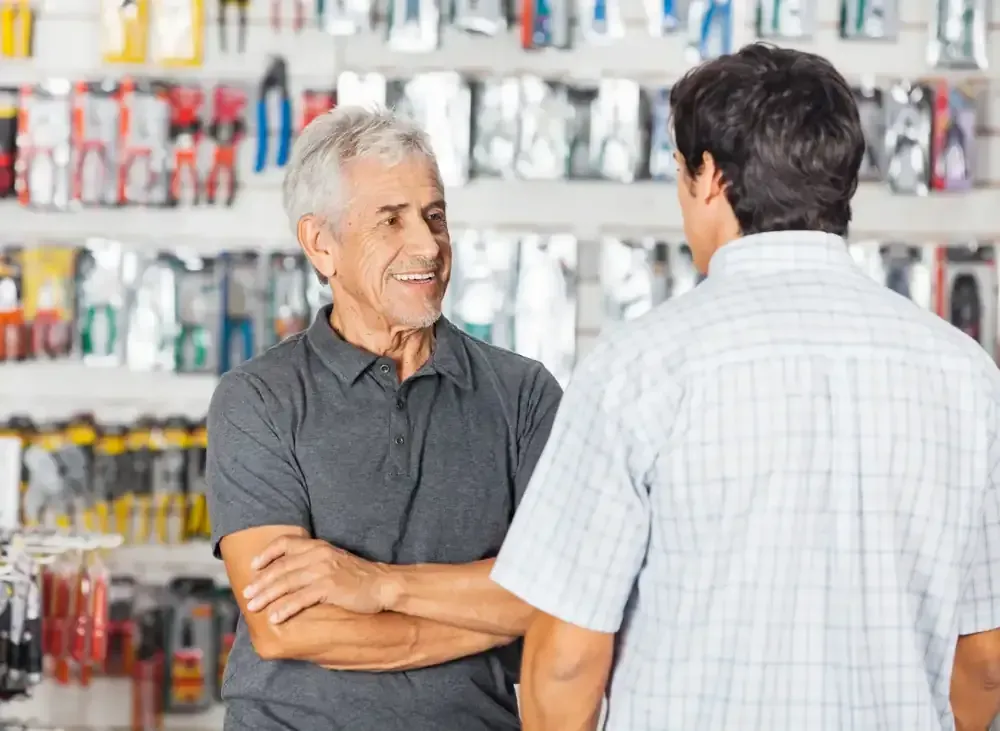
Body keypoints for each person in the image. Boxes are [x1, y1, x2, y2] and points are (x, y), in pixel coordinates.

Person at [490, 43, 1000, 731]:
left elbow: (565, 665)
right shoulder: (966, 375)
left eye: (679, 170)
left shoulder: (639, 367)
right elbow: (985, 659)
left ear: (710, 178)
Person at [206, 107, 562, 730]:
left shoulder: (524, 394)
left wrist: (377, 586)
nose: (427, 245)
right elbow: (288, 627)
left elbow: (561, 596)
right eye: (390, 220)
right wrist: (488, 606)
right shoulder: (257, 399)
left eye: (434, 216)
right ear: (322, 244)